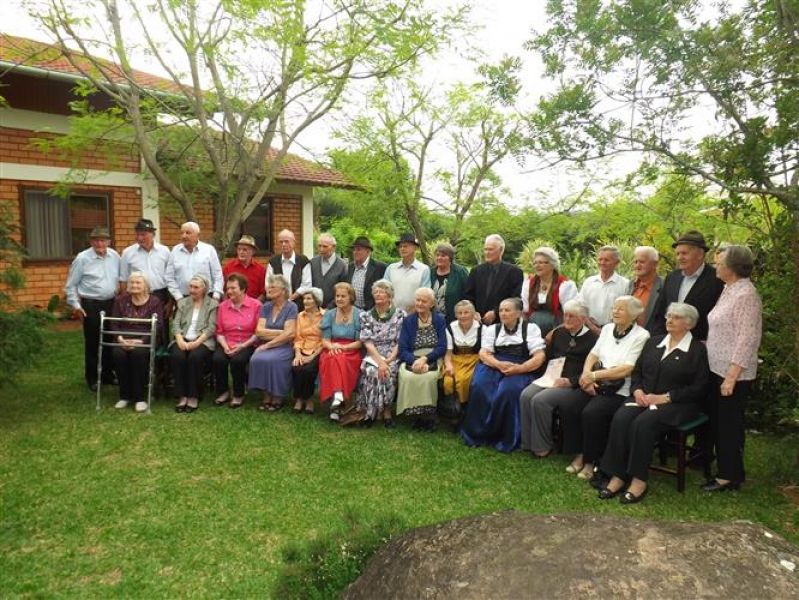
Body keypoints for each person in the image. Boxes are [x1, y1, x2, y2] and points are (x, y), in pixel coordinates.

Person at [595, 302, 709, 503]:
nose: (669, 320)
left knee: (643, 423)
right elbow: (637, 371)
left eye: (676, 317)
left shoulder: (697, 350)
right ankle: (617, 475)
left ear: (689, 324)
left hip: (678, 403)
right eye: (668, 316)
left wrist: (666, 397)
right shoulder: (654, 342)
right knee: (621, 418)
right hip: (643, 396)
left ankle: (638, 480)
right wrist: (637, 390)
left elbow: (699, 387)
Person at [565, 296, 649, 480]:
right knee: (570, 405)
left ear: (633, 314)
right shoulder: (608, 329)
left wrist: (594, 376)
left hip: (618, 388)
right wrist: (586, 375)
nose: (615, 311)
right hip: (595, 381)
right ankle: (579, 452)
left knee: (592, 413)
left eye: (621, 308)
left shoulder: (642, 335)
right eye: (614, 308)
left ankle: (590, 460)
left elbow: (627, 368)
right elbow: (593, 354)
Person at [704, 245, 762, 492]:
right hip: (716, 368)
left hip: (732, 374)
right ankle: (727, 469)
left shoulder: (746, 294)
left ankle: (729, 476)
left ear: (732, 267)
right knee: (720, 423)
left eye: (719, 263)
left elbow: (747, 339)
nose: (715, 266)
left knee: (729, 426)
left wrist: (731, 377)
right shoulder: (729, 289)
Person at [461, 297, 546, 452]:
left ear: (518, 313)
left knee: (508, 391)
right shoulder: (493, 329)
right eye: (501, 310)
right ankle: (479, 432)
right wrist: (498, 364)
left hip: (520, 365)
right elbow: (483, 353)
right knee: (480, 386)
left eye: (507, 310)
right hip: (494, 364)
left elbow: (539, 356)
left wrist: (520, 369)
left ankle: (505, 436)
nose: (503, 313)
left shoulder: (530, 329)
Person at [518, 298, 598, 456]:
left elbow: (592, 369)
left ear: (583, 319)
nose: (566, 319)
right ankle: (527, 442)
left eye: (571, 316)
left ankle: (542, 446)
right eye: (565, 315)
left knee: (541, 400)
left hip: (573, 383)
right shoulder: (559, 333)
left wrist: (571, 381)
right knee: (526, 395)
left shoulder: (593, 339)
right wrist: (542, 375)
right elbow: (548, 356)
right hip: (551, 377)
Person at [64, 225, 120, 391]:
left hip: (111, 303)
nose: (100, 244)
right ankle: (93, 378)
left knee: (110, 339)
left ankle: (108, 374)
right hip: (91, 304)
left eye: (103, 240)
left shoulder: (115, 256)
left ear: (109, 241)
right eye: (96, 240)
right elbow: (70, 285)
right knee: (93, 342)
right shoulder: (82, 259)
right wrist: (76, 305)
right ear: (91, 242)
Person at [650, 230, 724, 341]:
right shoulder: (672, 278)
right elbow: (659, 313)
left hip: (700, 344)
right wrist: (658, 340)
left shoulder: (717, 279)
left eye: (684, 253)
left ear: (700, 254)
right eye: (677, 254)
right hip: (669, 343)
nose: (679, 258)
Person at [354, 280, 406, 427]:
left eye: (382, 292)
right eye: (375, 292)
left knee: (389, 371)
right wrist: (380, 361)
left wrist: (389, 360)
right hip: (374, 353)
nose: (378, 294)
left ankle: (386, 411)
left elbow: (400, 341)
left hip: (392, 353)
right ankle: (370, 412)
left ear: (390, 296)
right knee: (372, 371)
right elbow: (367, 342)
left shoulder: (400, 314)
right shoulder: (366, 315)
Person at [110, 271, 164, 412]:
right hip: (124, 337)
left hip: (145, 338)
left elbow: (158, 325)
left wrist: (141, 341)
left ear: (145, 285)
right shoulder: (120, 300)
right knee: (118, 354)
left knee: (138, 354)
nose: (134, 285)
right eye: (132, 282)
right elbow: (114, 324)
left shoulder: (155, 301)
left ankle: (140, 398)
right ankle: (124, 396)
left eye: (138, 282)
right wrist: (120, 339)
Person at [396, 287, 447, 431]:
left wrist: (425, 359)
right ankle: (416, 415)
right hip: (412, 357)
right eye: (417, 300)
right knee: (408, 376)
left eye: (423, 301)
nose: (419, 303)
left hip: (433, 356)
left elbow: (442, 346)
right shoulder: (408, 321)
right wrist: (414, 361)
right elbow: (403, 348)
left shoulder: (439, 320)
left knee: (429, 377)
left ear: (431, 304)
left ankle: (429, 415)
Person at [248, 274, 298, 411]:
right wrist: (282, 332)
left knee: (273, 360)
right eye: (268, 287)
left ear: (283, 290)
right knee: (256, 359)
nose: (268, 289)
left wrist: (268, 344)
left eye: (273, 287)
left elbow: (290, 334)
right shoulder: (266, 306)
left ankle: (278, 396)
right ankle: (266, 395)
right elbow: (259, 331)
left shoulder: (291, 307)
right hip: (267, 344)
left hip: (284, 346)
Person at [170, 274, 218, 412]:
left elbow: (211, 327)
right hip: (183, 338)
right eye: (190, 287)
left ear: (204, 289)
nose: (192, 290)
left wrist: (197, 342)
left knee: (194, 357)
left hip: (203, 340)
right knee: (177, 356)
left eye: (196, 287)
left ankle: (193, 396)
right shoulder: (183, 303)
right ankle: (182, 396)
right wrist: (179, 339)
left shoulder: (212, 304)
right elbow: (175, 324)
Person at [212, 273, 261, 409]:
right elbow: (219, 331)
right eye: (227, 288)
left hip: (248, 342)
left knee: (237, 361)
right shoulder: (222, 306)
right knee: (218, 359)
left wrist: (242, 346)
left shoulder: (256, 305)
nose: (229, 291)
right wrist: (225, 346)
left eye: (233, 288)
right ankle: (223, 392)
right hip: (227, 342)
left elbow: (258, 332)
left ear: (243, 289)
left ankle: (238, 394)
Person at [318, 282, 363, 419]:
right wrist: (332, 346)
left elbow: (360, 342)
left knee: (340, 358)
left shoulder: (359, 314)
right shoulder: (329, 314)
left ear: (351, 297)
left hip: (351, 349)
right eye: (337, 296)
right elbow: (325, 340)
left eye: (343, 296)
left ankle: (337, 400)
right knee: (333, 358)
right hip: (332, 348)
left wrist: (344, 347)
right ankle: (338, 396)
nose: (339, 299)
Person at [463, 234, 524, 326]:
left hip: (503, 323)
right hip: (477, 323)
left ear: (501, 250)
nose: (487, 252)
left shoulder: (514, 272)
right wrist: (473, 311)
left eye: (490, 249)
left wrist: (496, 312)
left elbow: (515, 299)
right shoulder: (476, 271)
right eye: (485, 249)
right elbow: (468, 296)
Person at [520, 246, 578, 337]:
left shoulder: (565, 285)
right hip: (532, 330)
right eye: (535, 263)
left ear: (552, 264)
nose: (537, 265)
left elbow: (572, 315)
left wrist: (555, 332)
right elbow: (524, 311)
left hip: (559, 329)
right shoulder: (528, 284)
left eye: (541, 262)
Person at [577, 245, 630, 335]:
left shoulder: (625, 284)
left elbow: (626, 311)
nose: (602, 262)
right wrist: (592, 327)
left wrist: (607, 331)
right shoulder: (589, 282)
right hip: (588, 330)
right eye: (600, 259)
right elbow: (581, 307)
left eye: (606, 260)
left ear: (617, 263)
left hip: (614, 332)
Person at [165, 221, 224, 301]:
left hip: (206, 298)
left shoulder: (209, 250)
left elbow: (217, 275)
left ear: (197, 235)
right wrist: (178, 297)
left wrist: (216, 295)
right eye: (182, 233)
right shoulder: (175, 251)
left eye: (188, 233)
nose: (184, 236)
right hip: (182, 298)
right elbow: (169, 277)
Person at [118, 218, 170, 305]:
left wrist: (170, 301)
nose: (139, 238)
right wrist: (125, 302)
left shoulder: (164, 251)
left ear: (153, 235)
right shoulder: (127, 253)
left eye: (143, 234)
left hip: (160, 295)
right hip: (136, 296)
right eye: (137, 234)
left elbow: (170, 276)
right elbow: (124, 279)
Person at [442, 300, 482, 407]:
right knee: (448, 381)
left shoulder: (482, 328)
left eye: (466, 312)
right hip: (455, 359)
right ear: (455, 315)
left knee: (465, 381)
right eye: (459, 313)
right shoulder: (450, 328)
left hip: (474, 360)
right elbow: (448, 353)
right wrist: (448, 365)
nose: (463, 316)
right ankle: (452, 408)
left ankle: (465, 407)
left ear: (473, 314)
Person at [291, 287, 325, 414]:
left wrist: (312, 357)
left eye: (309, 299)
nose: (305, 301)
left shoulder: (326, 315)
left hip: (319, 349)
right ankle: (299, 399)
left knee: (308, 370)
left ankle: (308, 399)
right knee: (296, 367)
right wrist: (298, 354)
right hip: (302, 347)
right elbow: (298, 337)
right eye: (304, 299)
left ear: (317, 301)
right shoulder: (300, 316)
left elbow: (325, 339)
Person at [384, 233, 431, 314]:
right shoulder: (391, 268)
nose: (402, 249)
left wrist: (410, 314)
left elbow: (425, 295)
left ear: (415, 247)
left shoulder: (424, 269)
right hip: (392, 315)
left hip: (415, 315)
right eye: (400, 246)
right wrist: (392, 312)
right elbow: (384, 292)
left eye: (405, 246)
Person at [266, 229, 311, 309]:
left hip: (298, 305)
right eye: (281, 242)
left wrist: (291, 298)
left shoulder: (303, 261)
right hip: (276, 305)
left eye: (286, 241)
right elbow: (268, 284)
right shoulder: (273, 262)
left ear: (294, 242)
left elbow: (306, 285)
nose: (283, 244)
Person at [303, 232, 348, 307]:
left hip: (333, 309)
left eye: (325, 246)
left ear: (333, 247)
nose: (321, 249)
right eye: (319, 246)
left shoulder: (342, 266)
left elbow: (343, 290)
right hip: (314, 308)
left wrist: (329, 308)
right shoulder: (313, 262)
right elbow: (308, 285)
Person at [430, 242, 470, 323]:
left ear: (450, 258)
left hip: (456, 319)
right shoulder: (430, 273)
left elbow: (469, 294)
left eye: (443, 256)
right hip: (433, 320)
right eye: (437, 255)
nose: (439, 258)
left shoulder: (460, 272)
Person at [627, 246, 663, 332]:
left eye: (642, 262)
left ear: (655, 264)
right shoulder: (631, 285)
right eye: (636, 262)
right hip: (628, 336)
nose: (637, 266)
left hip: (651, 337)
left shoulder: (664, 287)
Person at [346, 236, 387, 310]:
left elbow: (386, 291)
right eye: (354, 250)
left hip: (372, 311)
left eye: (358, 249)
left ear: (368, 251)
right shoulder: (349, 267)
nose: (355, 252)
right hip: (352, 310)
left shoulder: (380, 267)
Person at [222, 235, 266, 300]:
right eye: (239, 249)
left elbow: (263, 293)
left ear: (253, 251)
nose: (241, 252)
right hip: (232, 304)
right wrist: (228, 304)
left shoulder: (261, 270)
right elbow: (223, 291)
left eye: (245, 249)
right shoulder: (228, 268)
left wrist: (254, 304)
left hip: (254, 305)